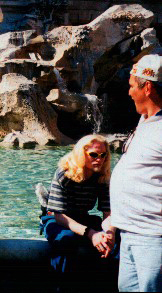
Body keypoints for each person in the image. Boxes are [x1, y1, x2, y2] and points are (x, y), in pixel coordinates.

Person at [109, 54, 162, 292]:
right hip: (129, 233)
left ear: (147, 87)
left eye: (132, 86)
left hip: (153, 237)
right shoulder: (145, 120)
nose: (129, 93)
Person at [41, 134, 116, 280]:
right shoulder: (64, 173)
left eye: (103, 155)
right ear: (82, 154)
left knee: (115, 239)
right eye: (93, 155)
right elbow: (59, 216)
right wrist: (91, 234)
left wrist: (109, 233)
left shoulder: (103, 176)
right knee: (66, 240)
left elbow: (108, 214)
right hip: (57, 219)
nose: (99, 159)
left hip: (83, 217)